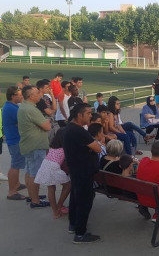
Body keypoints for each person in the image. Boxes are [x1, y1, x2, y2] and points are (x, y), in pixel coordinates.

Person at [64, 103, 101, 244]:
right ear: (80, 115)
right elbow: (97, 148)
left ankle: (73, 224)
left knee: (75, 197)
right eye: (89, 113)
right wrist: (93, 146)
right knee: (84, 202)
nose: (91, 116)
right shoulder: (79, 131)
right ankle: (80, 233)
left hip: (76, 170)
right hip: (83, 172)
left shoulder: (71, 128)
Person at [18, 85, 51, 208]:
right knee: (35, 174)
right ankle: (35, 201)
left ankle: (32, 195)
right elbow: (47, 126)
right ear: (31, 96)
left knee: (29, 171)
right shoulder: (31, 109)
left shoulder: (25, 106)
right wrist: (47, 121)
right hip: (35, 145)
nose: (40, 94)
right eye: (37, 92)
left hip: (29, 145)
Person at [34, 129, 71, 219]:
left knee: (51, 189)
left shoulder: (53, 146)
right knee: (68, 186)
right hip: (54, 167)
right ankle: (59, 204)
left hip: (45, 165)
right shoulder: (65, 148)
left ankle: (55, 212)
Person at [2, 87, 27, 199]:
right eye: (19, 94)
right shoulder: (12, 108)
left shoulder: (11, 106)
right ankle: (12, 192)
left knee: (17, 164)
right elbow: (24, 120)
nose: (22, 96)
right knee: (15, 165)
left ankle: (16, 184)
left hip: (15, 139)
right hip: (15, 139)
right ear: (13, 96)